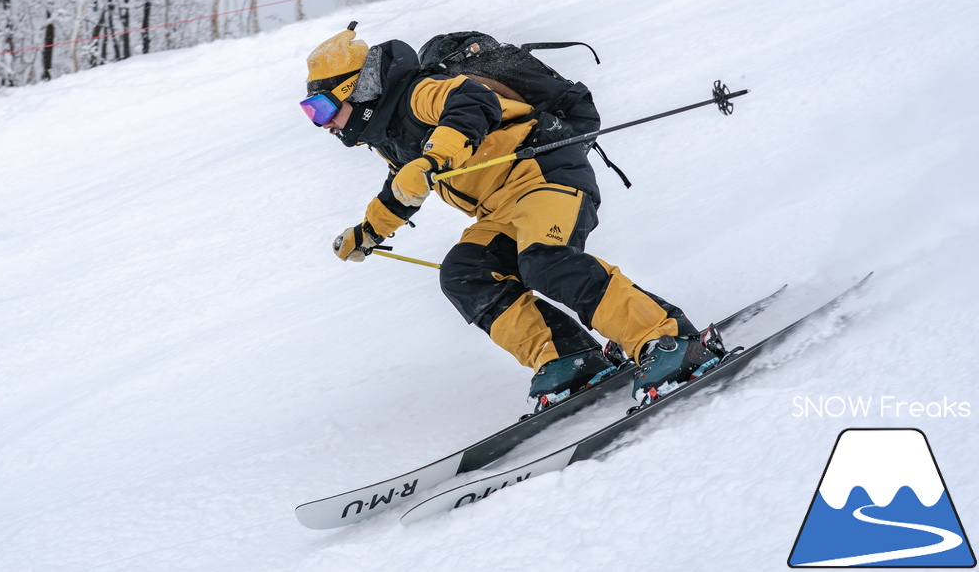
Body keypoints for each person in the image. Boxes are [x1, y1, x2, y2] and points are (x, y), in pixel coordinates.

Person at [300, 22, 721, 410]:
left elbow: (472, 100)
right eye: (309, 113)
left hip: (544, 176)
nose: (321, 124)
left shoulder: (419, 92)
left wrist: (433, 159)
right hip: (500, 208)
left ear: (355, 91)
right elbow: (401, 189)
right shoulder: (388, 138)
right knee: (463, 274)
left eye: (319, 108)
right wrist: (367, 232)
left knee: (546, 261)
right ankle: (568, 355)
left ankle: (668, 340)